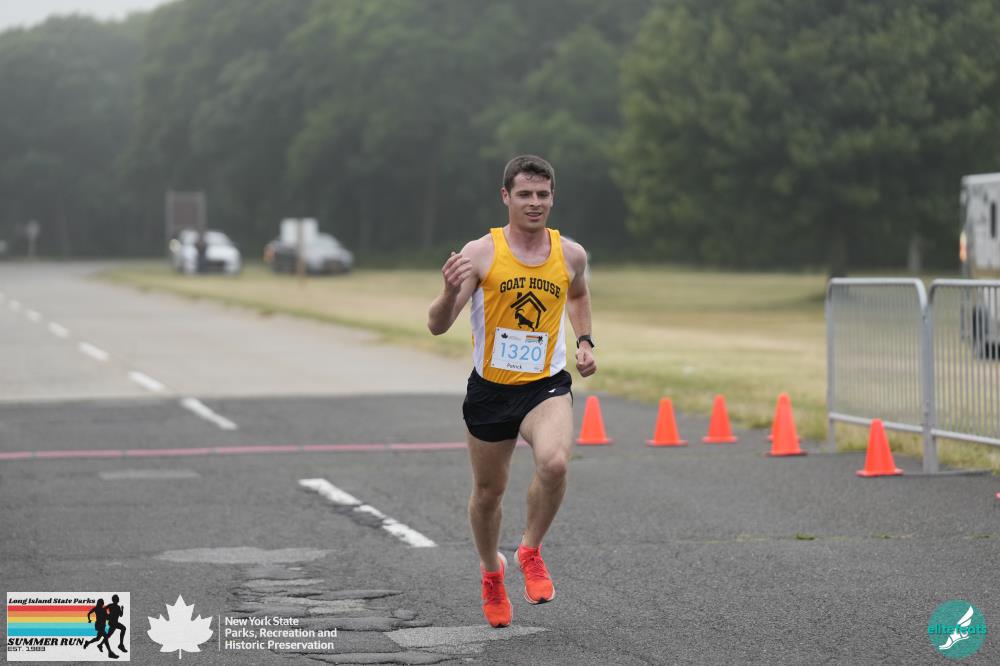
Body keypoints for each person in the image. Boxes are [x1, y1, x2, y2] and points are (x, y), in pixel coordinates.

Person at [427, 155, 597, 628]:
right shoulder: (480, 253)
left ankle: (530, 550)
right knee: (488, 494)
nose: (534, 203)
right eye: (524, 194)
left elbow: (578, 293)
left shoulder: (571, 255)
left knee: (555, 463)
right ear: (506, 197)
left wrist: (584, 341)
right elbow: (437, 325)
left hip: (545, 385)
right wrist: (448, 291)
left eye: (543, 194)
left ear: (553, 197)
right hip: (491, 391)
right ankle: (491, 573)